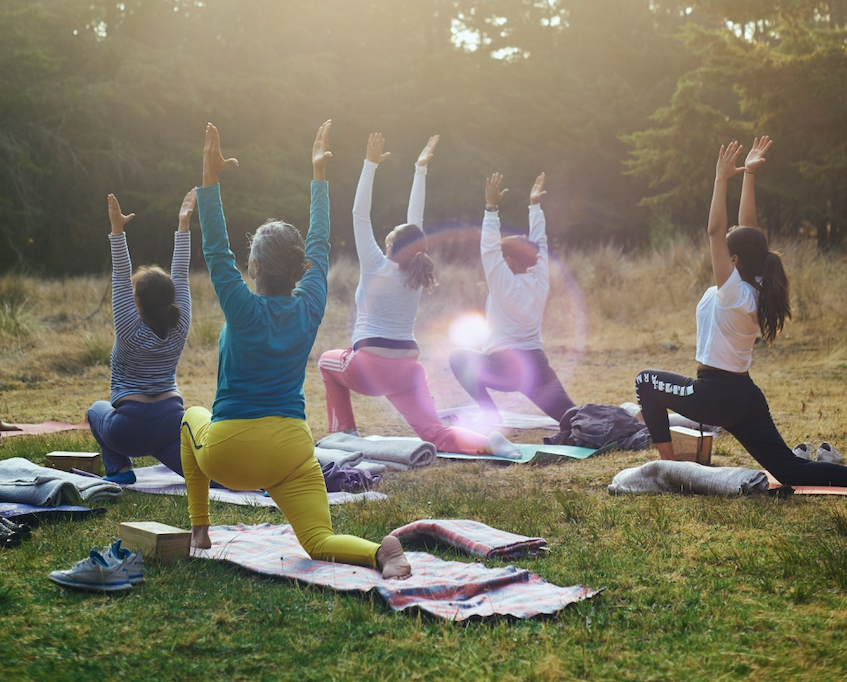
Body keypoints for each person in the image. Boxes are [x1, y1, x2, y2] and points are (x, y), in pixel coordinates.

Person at [180, 122, 411, 579]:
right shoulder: (309, 307)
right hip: (291, 450)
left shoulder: (241, 307)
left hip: (230, 454)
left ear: (257, 267)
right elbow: (321, 245)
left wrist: (210, 182)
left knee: (190, 414)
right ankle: (379, 552)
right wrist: (319, 179)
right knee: (317, 541)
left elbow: (215, 249)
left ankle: (200, 529)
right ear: (300, 267)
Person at [635, 136, 847, 486]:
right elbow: (749, 229)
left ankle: (670, 471)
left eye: (728, 248)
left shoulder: (733, 291)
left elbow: (716, 230)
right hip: (745, 397)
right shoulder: (756, 284)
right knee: (792, 471)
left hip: (714, 395)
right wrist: (748, 173)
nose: (726, 241)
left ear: (734, 260)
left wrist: (721, 179)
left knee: (645, 381)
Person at [318, 133, 519, 458]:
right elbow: (416, 223)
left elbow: (360, 213)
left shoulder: (376, 265)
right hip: (409, 368)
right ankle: (489, 442)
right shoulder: (415, 272)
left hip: (368, 367)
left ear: (390, 246)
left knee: (327, 362)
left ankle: (346, 433)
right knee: (434, 432)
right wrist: (420, 169)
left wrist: (369, 164)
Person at [86, 189, 196, 484]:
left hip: (128, 430)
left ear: (136, 302)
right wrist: (183, 226)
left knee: (95, 410)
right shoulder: (181, 324)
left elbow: (121, 275)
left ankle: (120, 470)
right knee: (206, 475)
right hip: (172, 424)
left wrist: (117, 230)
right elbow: (181, 274)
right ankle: (252, 478)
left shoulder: (128, 330)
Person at [449, 172, 576, 426]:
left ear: (508, 260)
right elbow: (540, 242)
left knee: (458, 357)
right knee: (574, 417)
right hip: (537, 368)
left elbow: (489, 249)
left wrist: (491, 208)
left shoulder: (503, 284)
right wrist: (534, 206)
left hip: (504, 368)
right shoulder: (540, 279)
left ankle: (490, 414)